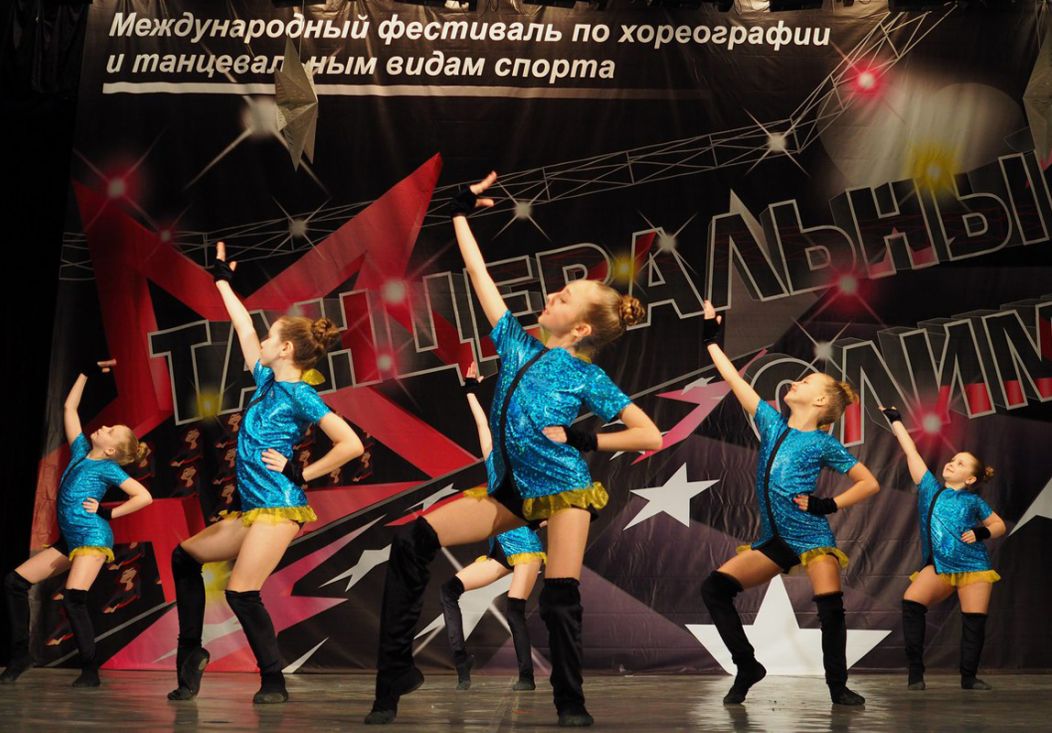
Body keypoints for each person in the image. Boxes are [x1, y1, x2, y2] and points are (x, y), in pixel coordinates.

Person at [365, 172, 662, 727]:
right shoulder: (515, 342)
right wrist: (458, 214)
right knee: (411, 541)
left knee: (559, 595)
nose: (551, 296)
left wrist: (584, 438)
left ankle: (570, 702)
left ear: (580, 330)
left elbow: (650, 434)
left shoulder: (587, 375)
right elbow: (478, 274)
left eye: (564, 297)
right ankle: (395, 672)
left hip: (563, 490)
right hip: (509, 490)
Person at [166, 241, 364, 704]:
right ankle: (192, 652)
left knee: (241, 592)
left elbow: (351, 444)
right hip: (255, 508)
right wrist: (222, 282)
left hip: (280, 506)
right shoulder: (267, 380)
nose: (263, 343)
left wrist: (302, 472)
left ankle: (273, 681)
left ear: (286, 349)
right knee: (185, 557)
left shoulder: (300, 394)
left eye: (270, 338)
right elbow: (242, 325)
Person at [697, 300, 880, 706]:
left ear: (820, 403)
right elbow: (734, 380)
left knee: (830, 609)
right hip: (774, 539)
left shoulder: (822, 443)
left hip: (811, 536)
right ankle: (747, 665)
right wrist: (711, 340)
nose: (796, 381)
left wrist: (827, 506)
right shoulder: (770, 423)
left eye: (807, 381)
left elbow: (869, 483)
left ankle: (837, 687)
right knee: (714, 589)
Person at [0, 359, 152, 687]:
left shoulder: (108, 468)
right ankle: (21, 656)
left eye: (110, 431)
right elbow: (69, 408)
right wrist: (85, 373)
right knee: (15, 582)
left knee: (73, 598)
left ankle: (90, 671)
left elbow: (143, 496)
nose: (104, 427)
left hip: (92, 537)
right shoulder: (81, 451)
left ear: (110, 449)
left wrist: (108, 513)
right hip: (71, 539)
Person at [879, 405, 1005, 690]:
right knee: (912, 602)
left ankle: (969, 677)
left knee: (973, 621)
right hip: (940, 566)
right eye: (952, 460)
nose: (952, 463)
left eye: (960, 464)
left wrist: (981, 531)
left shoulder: (973, 501)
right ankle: (915, 673)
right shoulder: (929, 488)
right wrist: (896, 420)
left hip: (974, 565)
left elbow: (999, 525)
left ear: (970, 479)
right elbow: (911, 452)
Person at [440, 371, 545, 692]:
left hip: (525, 550)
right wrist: (471, 389)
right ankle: (461, 660)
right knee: (449, 590)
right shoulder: (493, 461)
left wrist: (538, 520)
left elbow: (552, 512)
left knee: (514, 609)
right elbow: (483, 426)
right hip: (499, 550)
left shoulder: (533, 470)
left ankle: (526, 677)